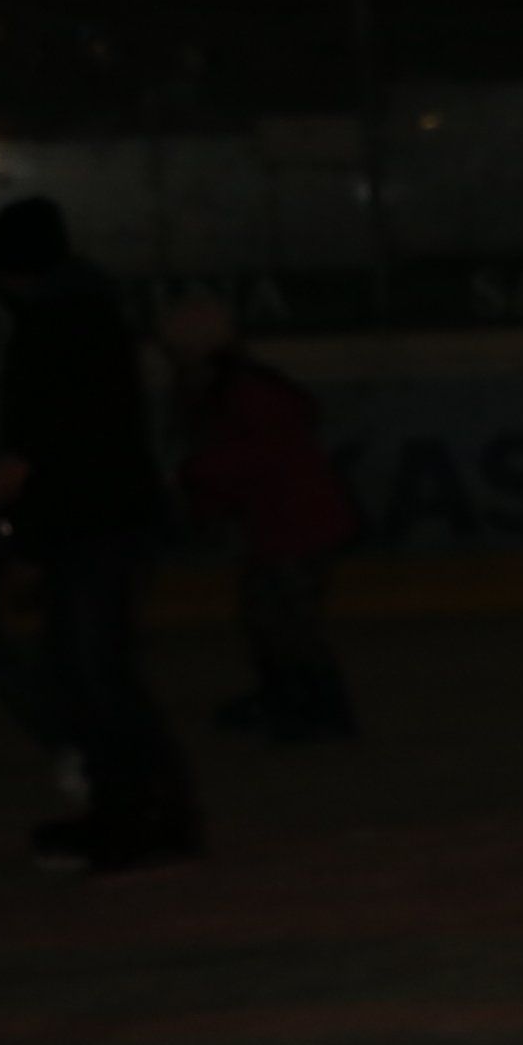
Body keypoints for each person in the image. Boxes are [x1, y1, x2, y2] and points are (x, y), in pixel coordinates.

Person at [0, 195, 199, 872]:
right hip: (98, 520)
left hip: (91, 524)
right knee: (87, 671)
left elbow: (42, 448)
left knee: (93, 673)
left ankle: (142, 813)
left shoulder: (55, 325)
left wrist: (24, 531)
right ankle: (133, 809)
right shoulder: (84, 313)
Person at [161, 293, 361, 743]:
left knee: (288, 623)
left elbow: (258, 457)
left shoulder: (239, 391)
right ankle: (292, 700)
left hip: (295, 523)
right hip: (284, 522)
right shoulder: (236, 387)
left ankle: (320, 709)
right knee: (268, 617)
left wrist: (197, 477)